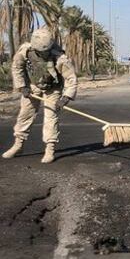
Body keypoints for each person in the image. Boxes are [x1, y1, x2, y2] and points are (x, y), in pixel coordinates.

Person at [2, 28, 78, 163]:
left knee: (50, 117)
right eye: (40, 52)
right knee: (25, 114)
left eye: (45, 52)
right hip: (33, 86)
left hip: (53, 89)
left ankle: (50, 149)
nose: (43, 54)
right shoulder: (25, 50)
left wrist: (66, 97)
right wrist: (22, 86)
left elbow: (71, 78)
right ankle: (18, 145)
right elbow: (17, 67)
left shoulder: (59, 57)